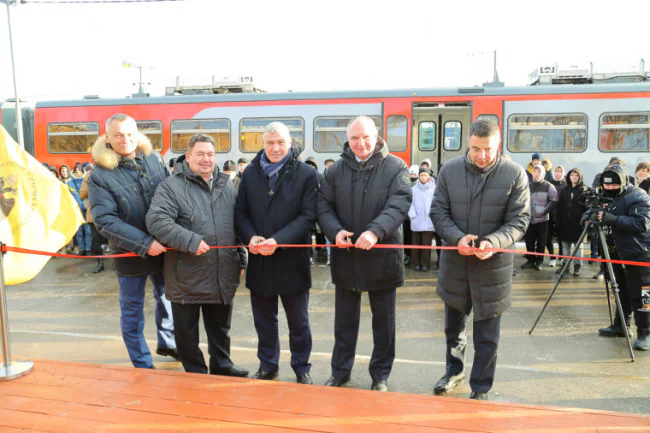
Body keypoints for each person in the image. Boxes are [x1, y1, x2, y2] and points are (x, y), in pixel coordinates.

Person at [430, 119, 529, 400]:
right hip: (456, 264)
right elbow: (438, 212)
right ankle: (453, 372)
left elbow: (520, 220)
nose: (482, 155)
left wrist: (494, 242)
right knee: (454, 328)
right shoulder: (449, 170)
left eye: (488, 149)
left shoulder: (514, 174)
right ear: (468, 143)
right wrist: (456, 237)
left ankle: (481, 387)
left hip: (493, 267)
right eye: (475, 149)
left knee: (487, 335)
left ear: (498, 144)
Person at [318, 116, 412, 392]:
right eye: (354, 138)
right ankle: (340, 371)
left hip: (382, 258)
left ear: (376, 136)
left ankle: (380, 375)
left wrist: (375, 231)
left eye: (366, 137)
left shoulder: (396, 167)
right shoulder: (335, 170)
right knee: (344, 323)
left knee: (384, 324)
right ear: (348, 140)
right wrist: (334, 232)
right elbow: (323, 206)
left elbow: (399, 203)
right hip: (346, 257)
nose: (360, 143)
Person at [146, 134, 250, 376]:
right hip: (186, 273)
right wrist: (191, 241)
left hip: (222, 270)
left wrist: (241, 256)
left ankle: (222, 365)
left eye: (210, 154)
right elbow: (157, 221)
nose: (206, 159)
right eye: (200, 154)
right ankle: (195, 372)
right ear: (188, 156)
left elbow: (235, 224)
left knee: (220, 327)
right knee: (187, 331)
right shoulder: (171, 186)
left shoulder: (226, 185)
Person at [87, 113, 177, 369]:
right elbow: (105, 221)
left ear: (137, 135)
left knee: (168, 299)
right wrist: (145, 243)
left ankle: (168, 343)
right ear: (107, 137)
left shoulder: (153, 158)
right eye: (117, 135)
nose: (124, 140)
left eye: (129, 134)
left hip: (164, 249)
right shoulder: (100, 175)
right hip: (130, 253)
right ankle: (141, 363)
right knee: (132, 312)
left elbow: (170, 197)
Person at [235, 121, 318, 385]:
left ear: (290, 143)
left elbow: (308, 216)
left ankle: (301, 366)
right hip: (260, 259)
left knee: (299, 322)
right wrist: (250, 237)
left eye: (280, 142)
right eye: (270, 142)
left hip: (292, 259)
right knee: (264, 321)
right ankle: (268, 365)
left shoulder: (306, 174)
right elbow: (241, 213)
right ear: (262, 144)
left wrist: (278, 240)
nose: (275, 147)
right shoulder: (250, 173)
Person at [588, 164, 650, 351]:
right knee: (620, 291)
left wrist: (612, 219)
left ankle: (645, 333)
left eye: (614, 186)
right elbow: (595, 211)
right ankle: (621, 325)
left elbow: (643, 222)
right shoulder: (605, 195)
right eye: (607, 186)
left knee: (642, 296)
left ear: (623, 182)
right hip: (614, 254)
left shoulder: (638, 196)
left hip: (638, 254)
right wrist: (588, 216)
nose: (610, 189)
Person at [521, 165, 558, 271]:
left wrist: (544, 211)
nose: (536, 174)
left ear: (542, 174)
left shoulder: (549, 186)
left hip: (543, 220)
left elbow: (554, 200)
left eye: (538, 172)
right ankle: (530, 260)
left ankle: (539, 262)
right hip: (529, 219)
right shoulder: (528, 185)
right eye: (534, 172)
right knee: (529, 241)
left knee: (542, 242)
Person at [556, 168, 589, 277]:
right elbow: (559, 206)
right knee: (565, 245)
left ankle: (577, 266)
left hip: (578, 223)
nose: (574, 177)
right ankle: (565, 265)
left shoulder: (584, 190)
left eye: (576, 175)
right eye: (572, 175)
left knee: (578, 246)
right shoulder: (565, 190)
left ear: (580, 177)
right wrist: (558, 221)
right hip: (565, 222)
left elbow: (587, 208)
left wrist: (586, 221)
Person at [79, 165, 106, 273]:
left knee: (113, 240)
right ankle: (100, 263)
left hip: (108, 212)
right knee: (96, 241)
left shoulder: (107, 176)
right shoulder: (88, 178)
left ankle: (116, 263)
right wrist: (88, 179)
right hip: (93, 215)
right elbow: (82, 194)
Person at [408, 168, 436, 272]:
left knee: (426, 244)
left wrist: (433, 215)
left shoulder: (434, 189)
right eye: (421, 175)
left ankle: (425, 264)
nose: (423, 177)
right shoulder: (414, 189)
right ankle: (415, 263)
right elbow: (409, 203)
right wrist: (412, 215)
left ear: (429, 177)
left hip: (428, 221)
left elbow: (436, 204)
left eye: (425, 175)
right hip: (416, 220)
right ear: (419, 177)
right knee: (415, 243)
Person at [67, 163, 92, 256]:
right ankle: (82, 249)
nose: (78, 174)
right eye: (76, 172)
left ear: (83, 172)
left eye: (80, 172)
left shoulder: (87, 181)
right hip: (76, 211)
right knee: (79, 231)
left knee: (88, 231)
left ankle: (88, 249)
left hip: (87, 210)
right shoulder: (69, 184)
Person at [546, 165, 567, 267]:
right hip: (549, 215)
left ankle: (561, 257)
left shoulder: (566, 186)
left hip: (561, 217)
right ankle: (552, 257)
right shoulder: (549, 185)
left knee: (561, 238)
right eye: (556, 171)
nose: (557, 173)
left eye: (559, 172)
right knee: (548, 238)